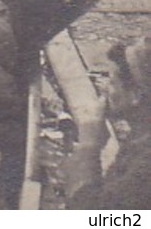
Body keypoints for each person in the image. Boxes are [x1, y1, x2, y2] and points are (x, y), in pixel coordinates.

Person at [63, 36, 151, 208]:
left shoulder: (144, 166)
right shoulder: (141, 134)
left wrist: (89, 147)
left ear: (136, 95)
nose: (105, 89)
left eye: (112, 82)